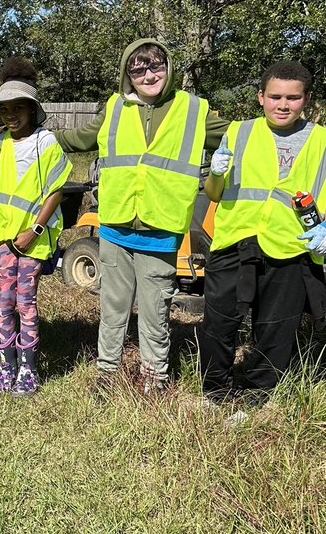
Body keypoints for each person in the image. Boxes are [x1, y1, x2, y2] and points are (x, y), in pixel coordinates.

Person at [52, 39, 228, 393]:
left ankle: (155, 376)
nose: (148, 75)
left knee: (155, 309)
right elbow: (80, 138)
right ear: (126, 74)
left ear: (169, 67)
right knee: (113, 307)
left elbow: (239, 135)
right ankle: (107, 373)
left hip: (161, 229)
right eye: (138, 69)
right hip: (116, 225)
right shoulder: (115, 108)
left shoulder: (192, 110)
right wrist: (33, 136)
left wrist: (280, 130)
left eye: (155, 66)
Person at [199, 61, 326, 409]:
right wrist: (216, 174)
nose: (283, 105)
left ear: (307, 99)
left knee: (275, 328)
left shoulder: (324, 143)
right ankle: (214, 391)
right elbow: (215, 193)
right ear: (260, 97)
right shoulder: (239, 132)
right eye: (275, 96)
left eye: (293, 98)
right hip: (235, 239)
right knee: (219, 322)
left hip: (290, 244)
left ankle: (256, 397)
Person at [0, 59, 70, 395]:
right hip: (4, 238)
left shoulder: (45, 142)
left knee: (25, 302)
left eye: (19, 108)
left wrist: (34, 230)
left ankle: (28, 370)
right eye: (5, 109)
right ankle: (7, 368)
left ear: (32, 110)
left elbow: (56, 190)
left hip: (33, 239)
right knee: (3, 302)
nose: (12, 115)